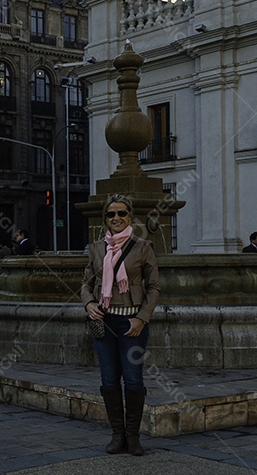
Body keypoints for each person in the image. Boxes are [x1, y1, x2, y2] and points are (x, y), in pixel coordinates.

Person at [81, 194, 160, 457]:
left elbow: (154, 287)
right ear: (105, 218)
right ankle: (118, 435)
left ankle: (134, 437)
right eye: (111, 214)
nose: (116, 218)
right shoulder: (95, 248)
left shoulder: (142, 246)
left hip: (131, 323)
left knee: (134, 380)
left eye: (122, 213)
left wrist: (141, 318)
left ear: (130, 216)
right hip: (104, 322)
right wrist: (89, 303)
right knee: (109, 379)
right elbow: (85, 283)